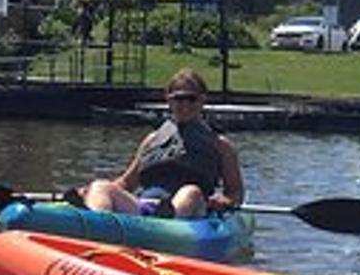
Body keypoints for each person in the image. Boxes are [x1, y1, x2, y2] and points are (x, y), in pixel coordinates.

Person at [83, 68, 245, 219]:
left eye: (191, 98)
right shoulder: (152, 140)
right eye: (178, 99)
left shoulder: (220, 145)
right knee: (100, 186)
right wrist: (89, 191)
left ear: (202, 100)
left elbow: (235, 192)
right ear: (169, 100)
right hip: (146, 205)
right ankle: (99, 224)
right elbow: (127, 182)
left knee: (191, 192)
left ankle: (168, 221)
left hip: (192, 209)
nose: (185, 104)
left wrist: (225, 200)